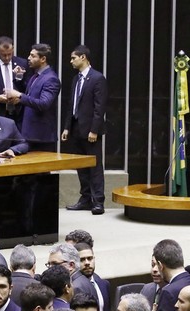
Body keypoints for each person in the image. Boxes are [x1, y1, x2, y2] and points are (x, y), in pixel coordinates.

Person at [61, 45, 108, 215]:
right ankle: (85, 199)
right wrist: (67, 127)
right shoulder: (76, 79)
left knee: (95, 166)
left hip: (90, 131)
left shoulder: (97, 78)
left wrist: (94, 130)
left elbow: (99, 107)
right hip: (76, 129)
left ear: (83, 57)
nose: (71, 61)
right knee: (81, 167)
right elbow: (71, 106)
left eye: (73, 58)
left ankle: (98, 201)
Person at [3, 43, 61, 153]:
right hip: (30, 133)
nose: (28, 58)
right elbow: (30, 95)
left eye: (33, 56)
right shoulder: (36, 75)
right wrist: (19, 78)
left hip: (41, 136)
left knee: (41, 170)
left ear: (43, 59)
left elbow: (43, 104)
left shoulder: (51, 79)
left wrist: (19, 95)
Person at [75, 241, 111, 311]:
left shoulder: (104, 284)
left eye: (90, 258)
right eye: (82, 260)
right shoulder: (74, 287)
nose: (87, 263)